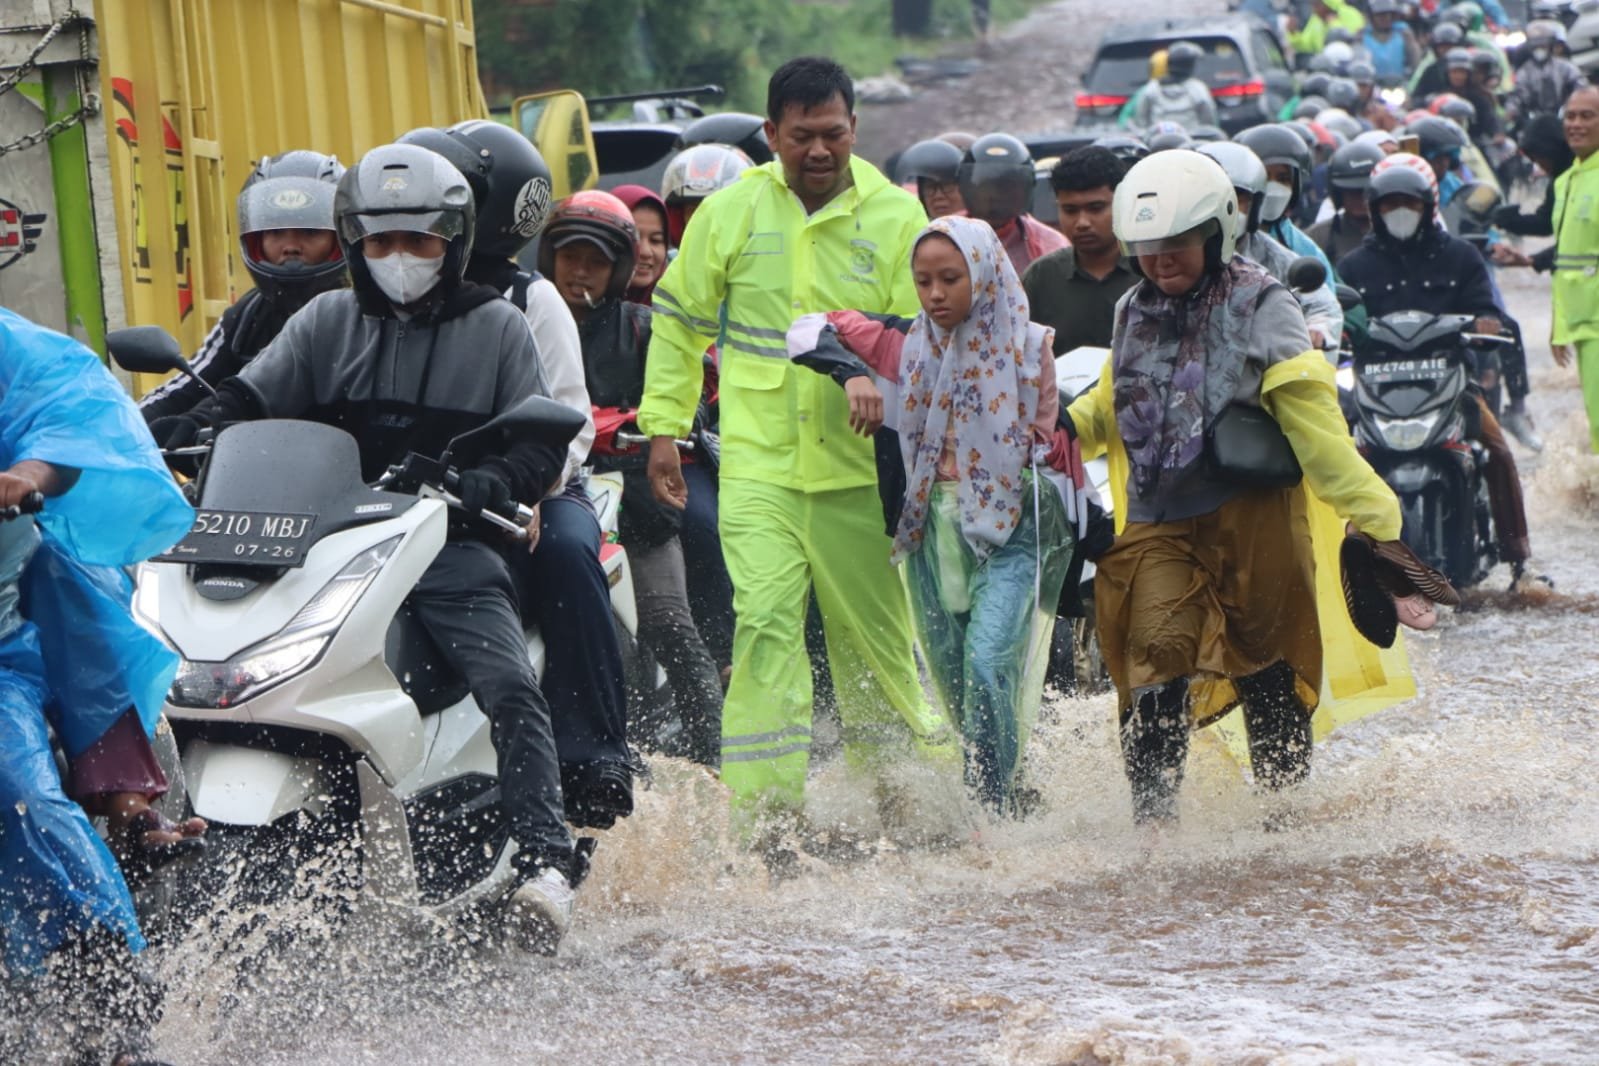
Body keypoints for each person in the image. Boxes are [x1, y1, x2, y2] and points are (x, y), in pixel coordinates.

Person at [158, 143, 590, 950]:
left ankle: (543, 860)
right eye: (381, 242)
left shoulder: (498, 327)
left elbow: (539, 442)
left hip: (444, 544)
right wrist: (187, 432)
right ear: (355, 245)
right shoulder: (325, 320)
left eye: (419, 241)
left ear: (453, 243)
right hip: (322, 541)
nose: (399, 259)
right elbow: (248, 401)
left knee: (506, 684)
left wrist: (498, 478)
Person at [638, 57, 957, 831]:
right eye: (801, 136)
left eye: (834, 134)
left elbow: (918, 337)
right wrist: (663, 430)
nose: (818, 151)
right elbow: (679, 320)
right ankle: (767, 817)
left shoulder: (893, 216)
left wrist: (880, 384)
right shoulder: (733, 212)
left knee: (873, 644)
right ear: (772, 133)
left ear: (854, 129)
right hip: (759, 468)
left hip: (860, 474)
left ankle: (910, 797)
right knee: (768, 626)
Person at [1064, 150, 1409, 823]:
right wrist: (1051, 427)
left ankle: (1281, 822)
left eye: (1176, 246)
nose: (1160, 262)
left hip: (1252, 517)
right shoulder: (1131, 308)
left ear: (1216, 232)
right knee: (1152, 661)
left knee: (1267, 666)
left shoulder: (1264, 304)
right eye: (1146, 250)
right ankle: (1154, 827)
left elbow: (1313, 424)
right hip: (1160, 519)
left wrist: (1376, 515)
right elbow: (1110, 404)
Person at [784, 217, 1077, 814]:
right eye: (923, 281)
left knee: (989, 659)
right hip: (927, 531)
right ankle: (1002, 788)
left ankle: (989, 805)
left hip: (1010, 530)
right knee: (949, 675)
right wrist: (853, 374)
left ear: (986, 275)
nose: (935, 294)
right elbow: (806, 328)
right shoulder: (902, 344)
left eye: (950, 279)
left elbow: (1045, 445)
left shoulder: (1029, 348)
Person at [396, 120, 640, 827]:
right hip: (414, 495)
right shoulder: (389, 297)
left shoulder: (532, 300)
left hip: (533, 491)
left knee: (567, 552)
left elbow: (566, 423)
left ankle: (594, 753)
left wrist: (520, 488)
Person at [0, 307, 195, 1061]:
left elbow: (73, 422)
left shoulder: (15, 353)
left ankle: (111, 986)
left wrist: (25, 477)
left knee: (20, 793)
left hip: (9, 646)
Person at [541, 190, 725, 767]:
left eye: (595, 260)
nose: (580, 272)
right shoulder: (523, 321)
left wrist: (634, 426)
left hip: (637, 503)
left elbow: (690, 397)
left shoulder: (647, 329)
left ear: (619, 267)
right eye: (570, 256)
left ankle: (715, 759)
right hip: (548, 497)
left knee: (669, 620)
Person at [1337, 158, 1548, 589]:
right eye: (1390, 203)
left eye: (1408, 203)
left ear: (1427, 205)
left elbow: (1489, 310)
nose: (1400, 211)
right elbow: (1336, 314)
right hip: (1377, 389)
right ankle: (1342, 567)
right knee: (1340, 462)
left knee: (1498, 452)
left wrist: (1487, 324)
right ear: (1375, 209)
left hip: (1451, 385)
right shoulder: (1355, 266)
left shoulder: (1459, 256)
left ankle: (1519, 561)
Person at [140, 151, 346, 422]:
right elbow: (188, 387)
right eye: (275, 233)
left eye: (310, 233)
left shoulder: (363, 316)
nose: (291, 246)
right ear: (255, 240)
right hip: (252, 462)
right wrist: (127, 425)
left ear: (341, 237)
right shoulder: (246, 317)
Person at [1198, 143, 1345, 348]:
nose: (1227, 207)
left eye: (1238, 197)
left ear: (1255, 204)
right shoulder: (1167, 250)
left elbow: (1321, 306)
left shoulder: (1274, 256)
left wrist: (1317, 328)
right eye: (1217, 196)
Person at [1022, 147, 1137, 355]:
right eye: (1070, 210)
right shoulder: (1040, 278)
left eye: (1096, 208)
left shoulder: (1151, 269)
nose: (1082, 223)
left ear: (1122, 203)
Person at [1550, 84, 1599, 454]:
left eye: (1587, 116)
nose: (1576, 124)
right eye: (1571, 116)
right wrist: (1558, 324)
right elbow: (1564, 259)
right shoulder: (1566, 182)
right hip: (1581, 324)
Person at [957, 132, 1067, 276]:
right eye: (985, 186)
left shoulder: (1050, 244)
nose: (994, 195)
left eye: (1005, 186)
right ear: (967, 185)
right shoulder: (944, 235)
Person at [660, 143, 753, 246]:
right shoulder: (669, 261)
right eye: (693, 210)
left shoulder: (757, 260)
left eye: (715, 210)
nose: (704, 221)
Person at [1309, 138, 1385, 261]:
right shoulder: (1319, 236)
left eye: (1367, 191)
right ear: (1338, 193)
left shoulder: (1397, 231)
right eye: (1352, 192)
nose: (1361, 199)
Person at [1129, 41, 1219, 132]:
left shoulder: (1151, 88)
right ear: (1190, 66)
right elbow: (1209, 121)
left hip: (1158, 141)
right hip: (1191, 140)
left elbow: (1141, 120)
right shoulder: (1198, 89)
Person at [1508, 21, 1586, 123]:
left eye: (1543, 46)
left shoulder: (1565, 67)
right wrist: (1512, 110)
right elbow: (1518, 95)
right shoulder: (1524, 72)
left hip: (1566, 115)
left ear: (1550, 46)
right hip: (1534, 120)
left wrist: (1572, 105)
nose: (1539, 49)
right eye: (1536, 46)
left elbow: (1581, 87)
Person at [614, 184, 670, 304]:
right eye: (634, 239)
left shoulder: (681, 305)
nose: (645, 252)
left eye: (656, 240)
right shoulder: (574, 306)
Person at [894, 138, 966, 219]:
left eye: (947, 186)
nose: (938, 196)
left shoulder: (980, 228)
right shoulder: (915, 229)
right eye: (930, 188)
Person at [1362, 0, 1421, 84]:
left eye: (1389, 15)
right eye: (1380, 15)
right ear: (1371, 17)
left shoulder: (1403, 33)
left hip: (1400, 84)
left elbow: (1416, 62)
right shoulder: (1363, 36)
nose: (1386, 18)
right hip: (1372, 85)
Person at [1408, 22, 1466, 103]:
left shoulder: (1470, 70)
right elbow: (1416, 98)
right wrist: (1429, 100)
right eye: (1442, 46)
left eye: (1450, 46)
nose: (1446, 50)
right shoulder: (1432, 70)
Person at [1288, 0, 1366, 59]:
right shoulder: (1316, 19)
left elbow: (1351, 39)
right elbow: (1307, 46)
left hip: (1350, 59)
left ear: (1328, 4)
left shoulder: (1351, 14)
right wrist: (1293, 33)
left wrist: (1333, 24)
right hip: (1325, 63)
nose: (1314, 10)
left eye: (1317, 5)